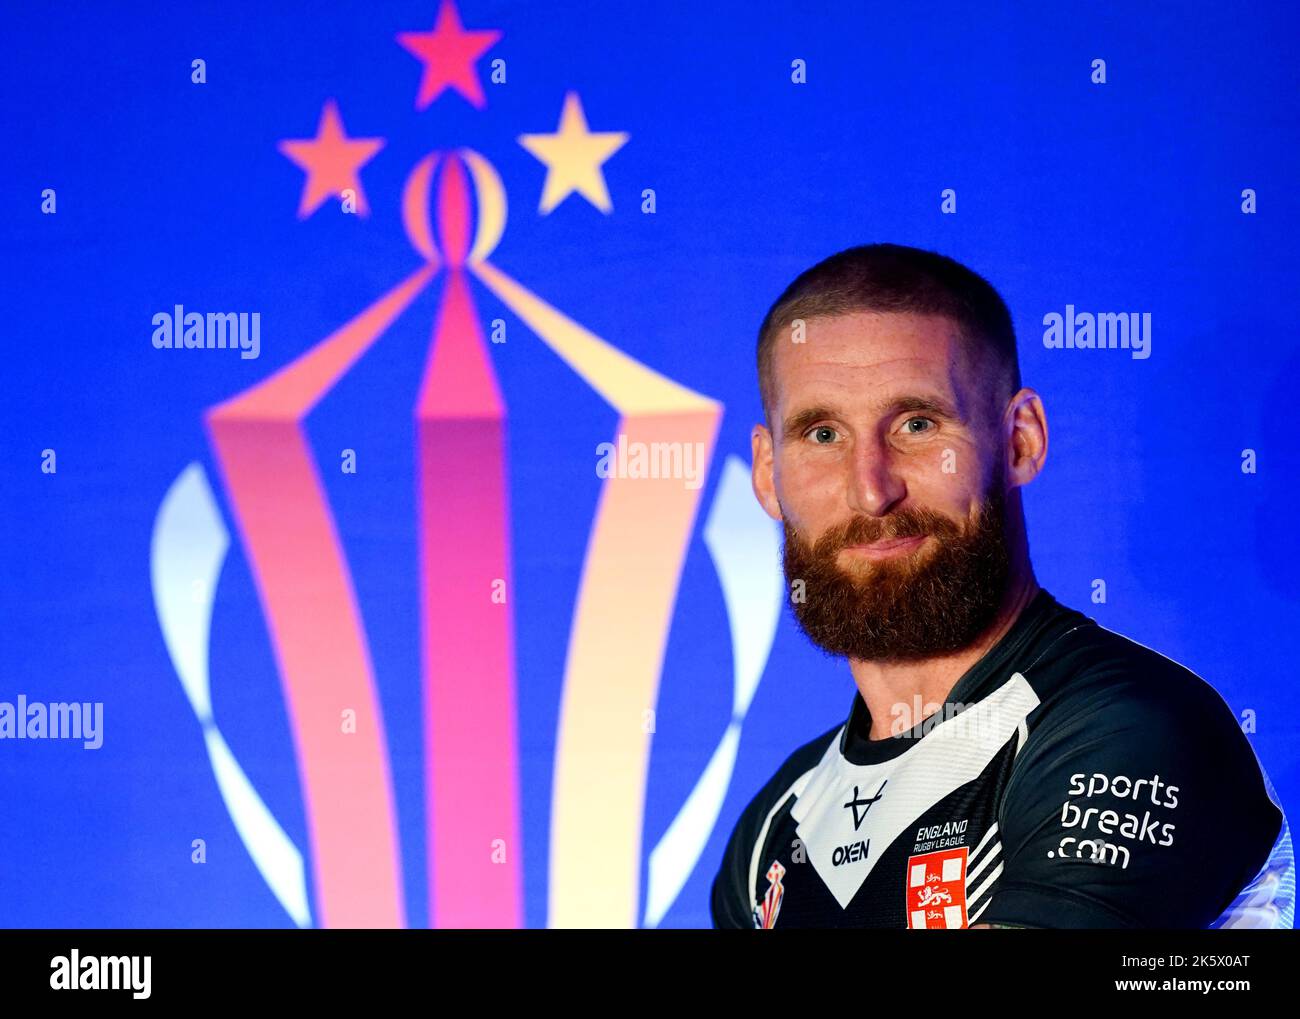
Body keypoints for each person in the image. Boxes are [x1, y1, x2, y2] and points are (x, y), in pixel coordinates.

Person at [710, 243, 1293, 928]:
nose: (870, 489)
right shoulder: (774, 831)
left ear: (1020, 440)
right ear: (766, 471)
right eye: (822, 432)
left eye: (917, 424)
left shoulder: (1132, 728)